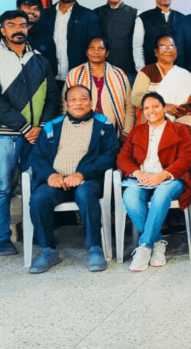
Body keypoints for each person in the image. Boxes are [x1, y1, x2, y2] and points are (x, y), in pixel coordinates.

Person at [0, 10, 60, 256]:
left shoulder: (40, 60)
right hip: (6, 134)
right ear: (3, 30)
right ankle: (3, 238)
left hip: (36, 134)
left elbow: (53, 98)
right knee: (3, 185)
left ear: (28, 28)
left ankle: (37, 232)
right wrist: (25, 127)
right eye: (11, 25)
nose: (18, 29)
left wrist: (41, 126)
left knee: (35, 184)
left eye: (22, 25)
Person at [27, 85, 119, 273]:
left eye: (84, 99)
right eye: (73, 99)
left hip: (88, 180)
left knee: (86, 194)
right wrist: (50, 175)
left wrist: (82, 173)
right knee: (38, 198)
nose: (79, 103)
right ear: (66, 103)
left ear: (91, 102)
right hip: (57, 180)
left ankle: (95, 247)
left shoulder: (104, 125)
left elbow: (110, 155)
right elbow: (37, 157)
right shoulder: (52, 126)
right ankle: (48, 250)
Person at [116, 92, 191, 272]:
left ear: (164, 108)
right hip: (142, 179)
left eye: (156, 106)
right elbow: (122, 158)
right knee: (130, 197)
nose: (151, 111)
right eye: (146, 108)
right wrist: (137, 172)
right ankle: (157, 242)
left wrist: (163, 175)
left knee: (160, 195)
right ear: (142, 111)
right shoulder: (137, 131)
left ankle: (144, 246)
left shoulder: (180, 130)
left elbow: (185, 159)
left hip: (170, 179)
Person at [65, 36, 135, 140]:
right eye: (92, 48)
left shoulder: (119, 75)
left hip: (113, 133)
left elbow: (129, 106)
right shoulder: (74, 74)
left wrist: (126, 133)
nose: (96, 51)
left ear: (107, 53)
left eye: (101, 48)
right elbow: (65, 105)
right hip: (79, 132)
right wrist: (67, 129)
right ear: (86, 52)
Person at [42, 0, 101, 89]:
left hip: (78, 76)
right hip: (50, 76)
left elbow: (94, 46)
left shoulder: (88, 16)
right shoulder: (45, 14)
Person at [132, 35, 191, 126]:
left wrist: (188, 107)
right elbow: (135, 98)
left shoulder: (185, 75)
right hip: (152, 125)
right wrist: (163, 106)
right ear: (156, 52)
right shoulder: (147, 71)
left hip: (181, 126)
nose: (168, 50)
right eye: (163, 47)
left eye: (172, 46)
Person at [94, 0, 139, 83]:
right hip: (102, 72)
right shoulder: (95, 14)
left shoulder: (135, 14)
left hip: (128, 72)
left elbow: (139, 45)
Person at [0, 0, 56, 67]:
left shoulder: (44, 34)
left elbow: (51, 65)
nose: (31, 12)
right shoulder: (1, 32)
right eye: (27, 7)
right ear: (17, 9)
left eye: (36, 9)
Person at [133, 0, 184, 68]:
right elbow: (137, 47)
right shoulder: (143, 18)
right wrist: (142, 69)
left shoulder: (182, 18)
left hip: (177, 70)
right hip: (151, 69)